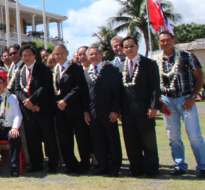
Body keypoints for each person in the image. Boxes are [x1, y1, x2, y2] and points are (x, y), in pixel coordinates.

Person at [156, 31, 205, 178]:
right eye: (162, 41)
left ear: (173, 39)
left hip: (186, 100)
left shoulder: (187, 56)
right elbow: (155, 82)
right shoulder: (157, 60)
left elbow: (199, 76)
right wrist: (159, 101)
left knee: (194, 134)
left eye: (167, 40)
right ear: (158, 43)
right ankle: (180, 165)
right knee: (173, 135)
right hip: (167, 101)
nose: (165, 43)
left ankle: (202, 166)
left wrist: (194, 96)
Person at [119, 36, 160, 177]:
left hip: (144, 110)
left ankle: (151, 169)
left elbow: (155, 87)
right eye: (126, 47)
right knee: (131, 142)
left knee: (148, 141)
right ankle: (136, 168)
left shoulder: (149, 64)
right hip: (127, 111)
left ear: (137, 47)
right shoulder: (120, 66)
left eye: (131, 46)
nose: (129, 49)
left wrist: (153, 106)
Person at [14, 45, 59, 173]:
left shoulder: (42, 68)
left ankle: (53, 164)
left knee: (49, 138)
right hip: (28, 111)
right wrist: (27, 103)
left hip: (42, 109)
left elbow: (45, 87)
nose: (26, 57)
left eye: (29, 55)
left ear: (34, 56)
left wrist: (33, 101)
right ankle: (37, 163)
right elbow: (17, 89)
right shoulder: (20, 71)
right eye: (24, 55)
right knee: (32, 139)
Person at [52, 44, 91, 174]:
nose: (59, 56)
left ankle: (85, 164)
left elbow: (79, 87)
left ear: (67, 53)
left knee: (81, 139)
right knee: (65, 140)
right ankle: (71, 165)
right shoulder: (55, 70)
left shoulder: (75, 68)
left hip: (75, 109)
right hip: (61, 112)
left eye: (61, 53)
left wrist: (66, 101)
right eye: (57, 54)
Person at [84, 45, 123, 177]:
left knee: (112, 140)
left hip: (109, 112)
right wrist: (86, 111)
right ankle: (103, 165)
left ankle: (115, 166)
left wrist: (115, 110)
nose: (93, 57)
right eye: (91, 55)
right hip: (93, 113)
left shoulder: (111, 69)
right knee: (98, 141)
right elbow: (85, 94)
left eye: (96, 54)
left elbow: (117, 92)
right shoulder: (86, 71)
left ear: (101, 55)